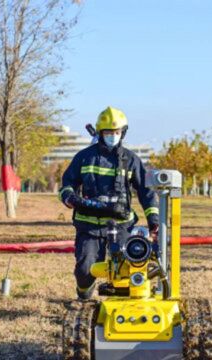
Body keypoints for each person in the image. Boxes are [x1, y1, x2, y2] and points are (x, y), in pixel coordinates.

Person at [59, 106, 160, 300]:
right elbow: (67, 183)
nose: (112, 136)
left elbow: (146, 192)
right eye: (108, 132)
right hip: (89, 226)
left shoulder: (131, 160)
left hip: (121, 226)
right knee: (85, 270)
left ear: (123, 133)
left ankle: (121, 307)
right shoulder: (84, 157)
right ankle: (84, 293)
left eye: (116, 132)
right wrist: (69, 197)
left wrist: (153, 219)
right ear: (100, 132)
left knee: (125, 270)